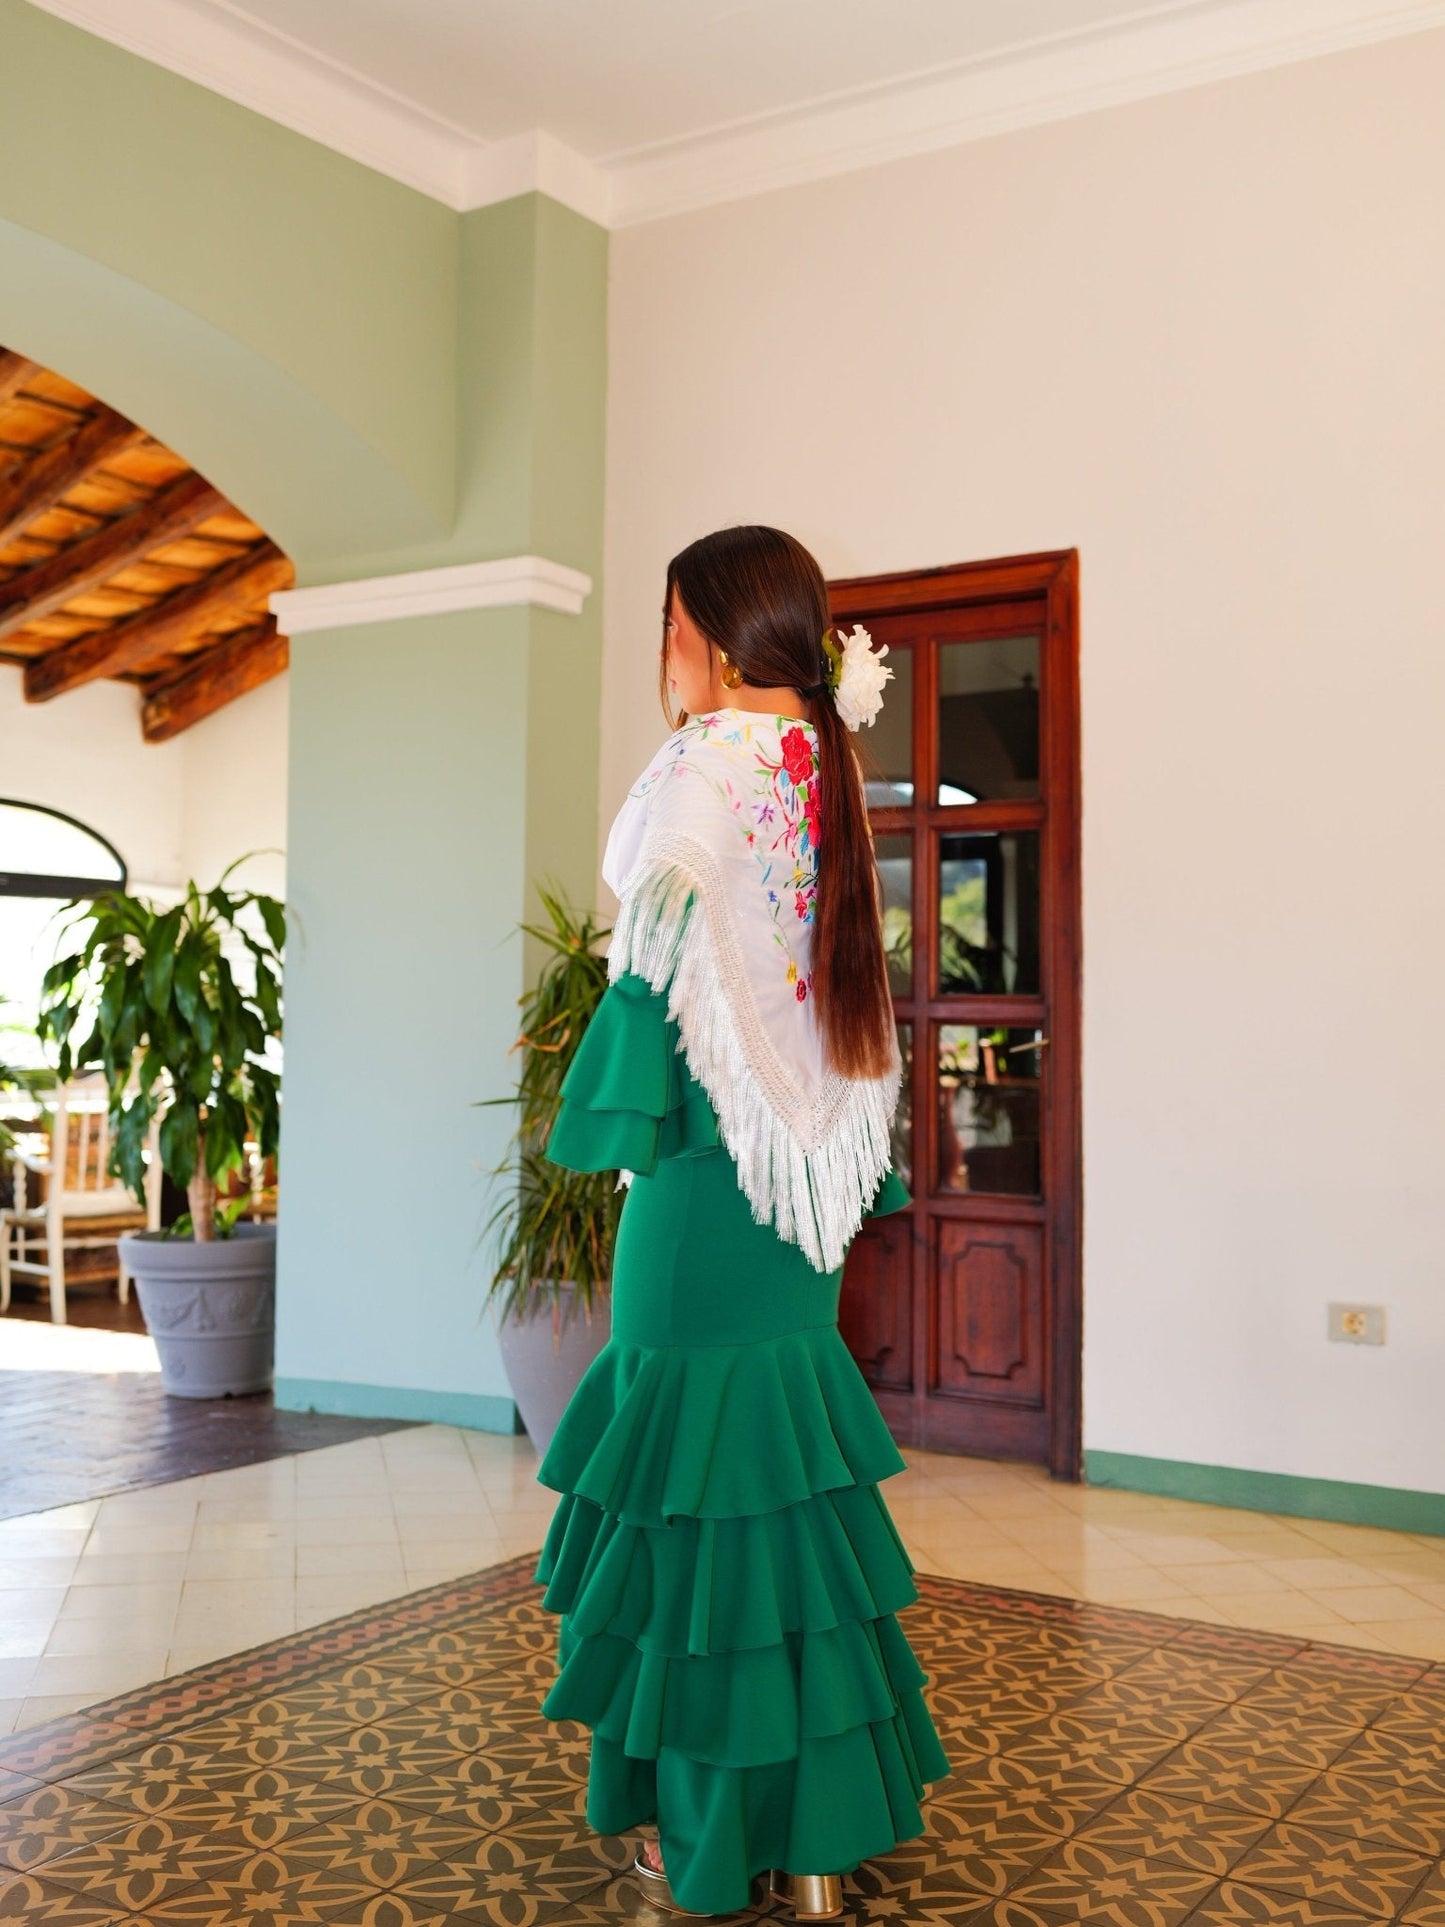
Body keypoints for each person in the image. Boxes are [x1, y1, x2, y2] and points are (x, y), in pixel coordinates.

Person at [531, 524, 951, 1918]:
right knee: (778, 1506)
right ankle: (817, 1837)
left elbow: (651, 949)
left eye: (665, 624)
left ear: (705, 634)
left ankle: (703, 1838)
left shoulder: (701, 762)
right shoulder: (826, 771)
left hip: (708, 1194)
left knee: (687, 1514)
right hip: (795, 1208)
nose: (662, 655)